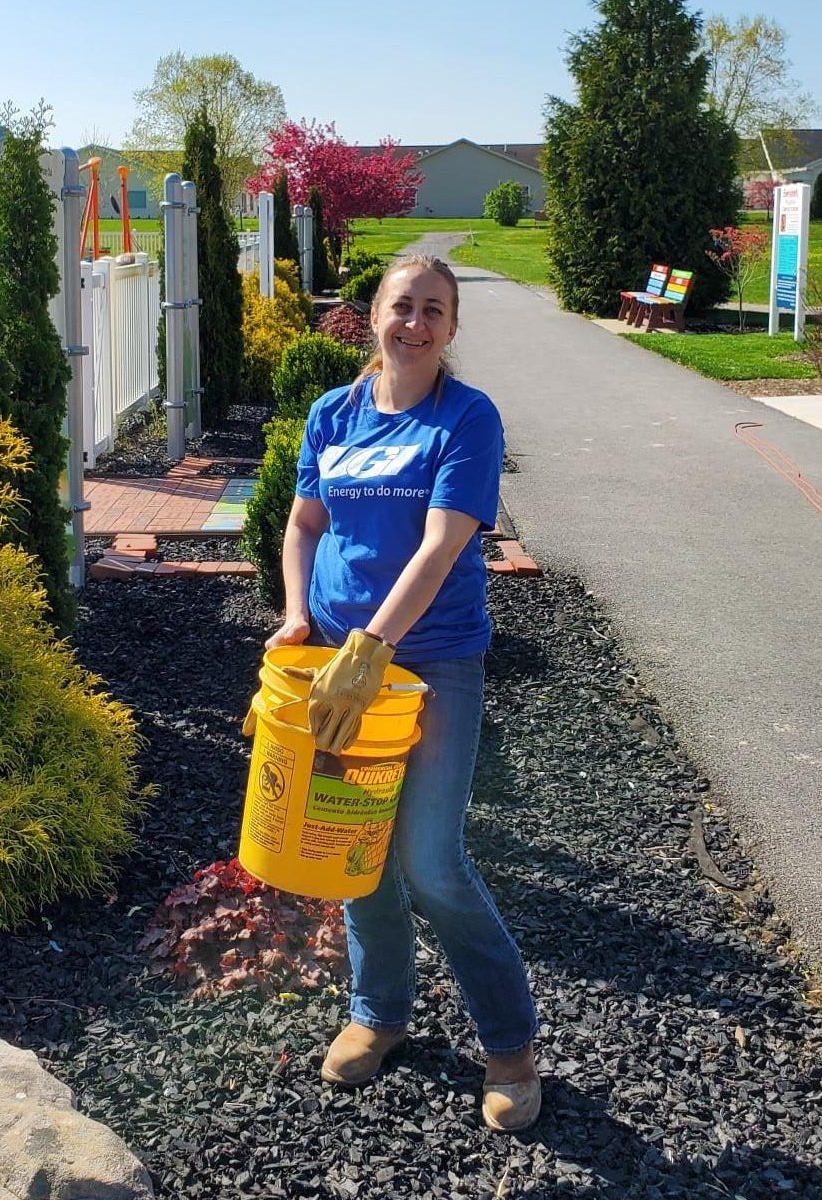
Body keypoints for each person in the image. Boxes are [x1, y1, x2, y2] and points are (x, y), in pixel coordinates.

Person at [265, 254, 541, 1133]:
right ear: (373, 315)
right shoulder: (332, 413)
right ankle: (378, 1012)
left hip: (432, 661)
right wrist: (297, 615)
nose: (414, 324)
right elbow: (305, 523)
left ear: (452, 328)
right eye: (401, 306)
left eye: (433, 311)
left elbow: (441, 543)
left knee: (430, 858)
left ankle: (510, 1046)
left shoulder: (467, 416)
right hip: (336, 662)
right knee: (357, 851)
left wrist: (373, 648)